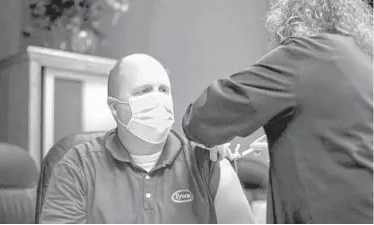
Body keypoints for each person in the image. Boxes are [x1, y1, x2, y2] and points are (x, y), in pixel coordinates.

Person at [182, 0, 373, 223]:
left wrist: (210, 133)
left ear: (290, 18)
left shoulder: (305, 55)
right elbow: (344, 144)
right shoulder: (361, 61)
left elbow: (204, 117)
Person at [39, 54, 254, 223]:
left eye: (163, 90)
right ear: (114, 107)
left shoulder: (207, 161)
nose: (157, 99)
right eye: (143, 92)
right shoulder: (78, 166)